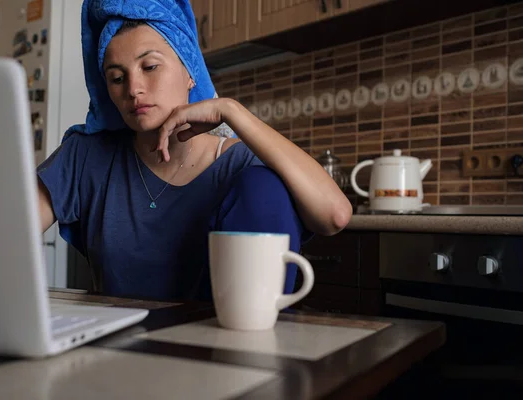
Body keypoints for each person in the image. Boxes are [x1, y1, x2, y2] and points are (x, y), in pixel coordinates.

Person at [36, 0, 352, 301]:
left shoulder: (241, 164)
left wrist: (231, 111)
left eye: (149, 66)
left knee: (263, 184)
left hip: (215, 349)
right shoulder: (86, 156)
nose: (134, 89)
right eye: (117, 78)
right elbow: (6, 231)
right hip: (116, 348)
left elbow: (334, 215)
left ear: (190, 71)